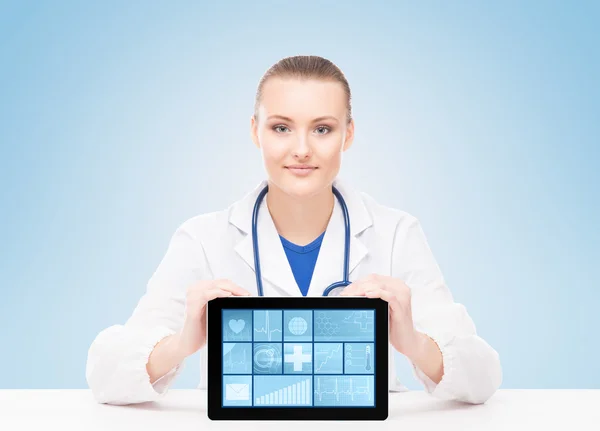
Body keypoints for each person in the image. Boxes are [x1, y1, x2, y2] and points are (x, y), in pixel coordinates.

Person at [86, 55, 502, 406]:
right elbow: (104, 375)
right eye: (281, 127)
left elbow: (482, 378)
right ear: (255, 132)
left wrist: (413, 341)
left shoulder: (396, 234)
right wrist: (181, 343)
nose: (302, 148)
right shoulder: (202, 239)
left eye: (322, 129)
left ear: (348, 134)